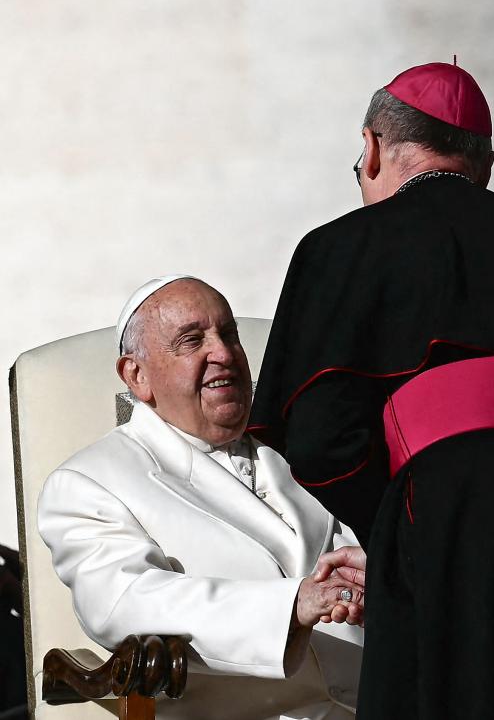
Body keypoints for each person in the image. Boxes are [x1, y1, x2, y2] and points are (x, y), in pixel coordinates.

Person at [252, 64, 494, 720]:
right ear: (485, 164)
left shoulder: (341, 246)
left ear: (371, 148)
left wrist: (397, 528)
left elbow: (320, 439)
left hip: (448, 511)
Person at [37, 276, 363, 720]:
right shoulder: (89, 481)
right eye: (192, 341)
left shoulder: (308, 446)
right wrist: (294, 604)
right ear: (137, 375)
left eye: (228, 334)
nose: (225, 353)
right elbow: (124, 601)